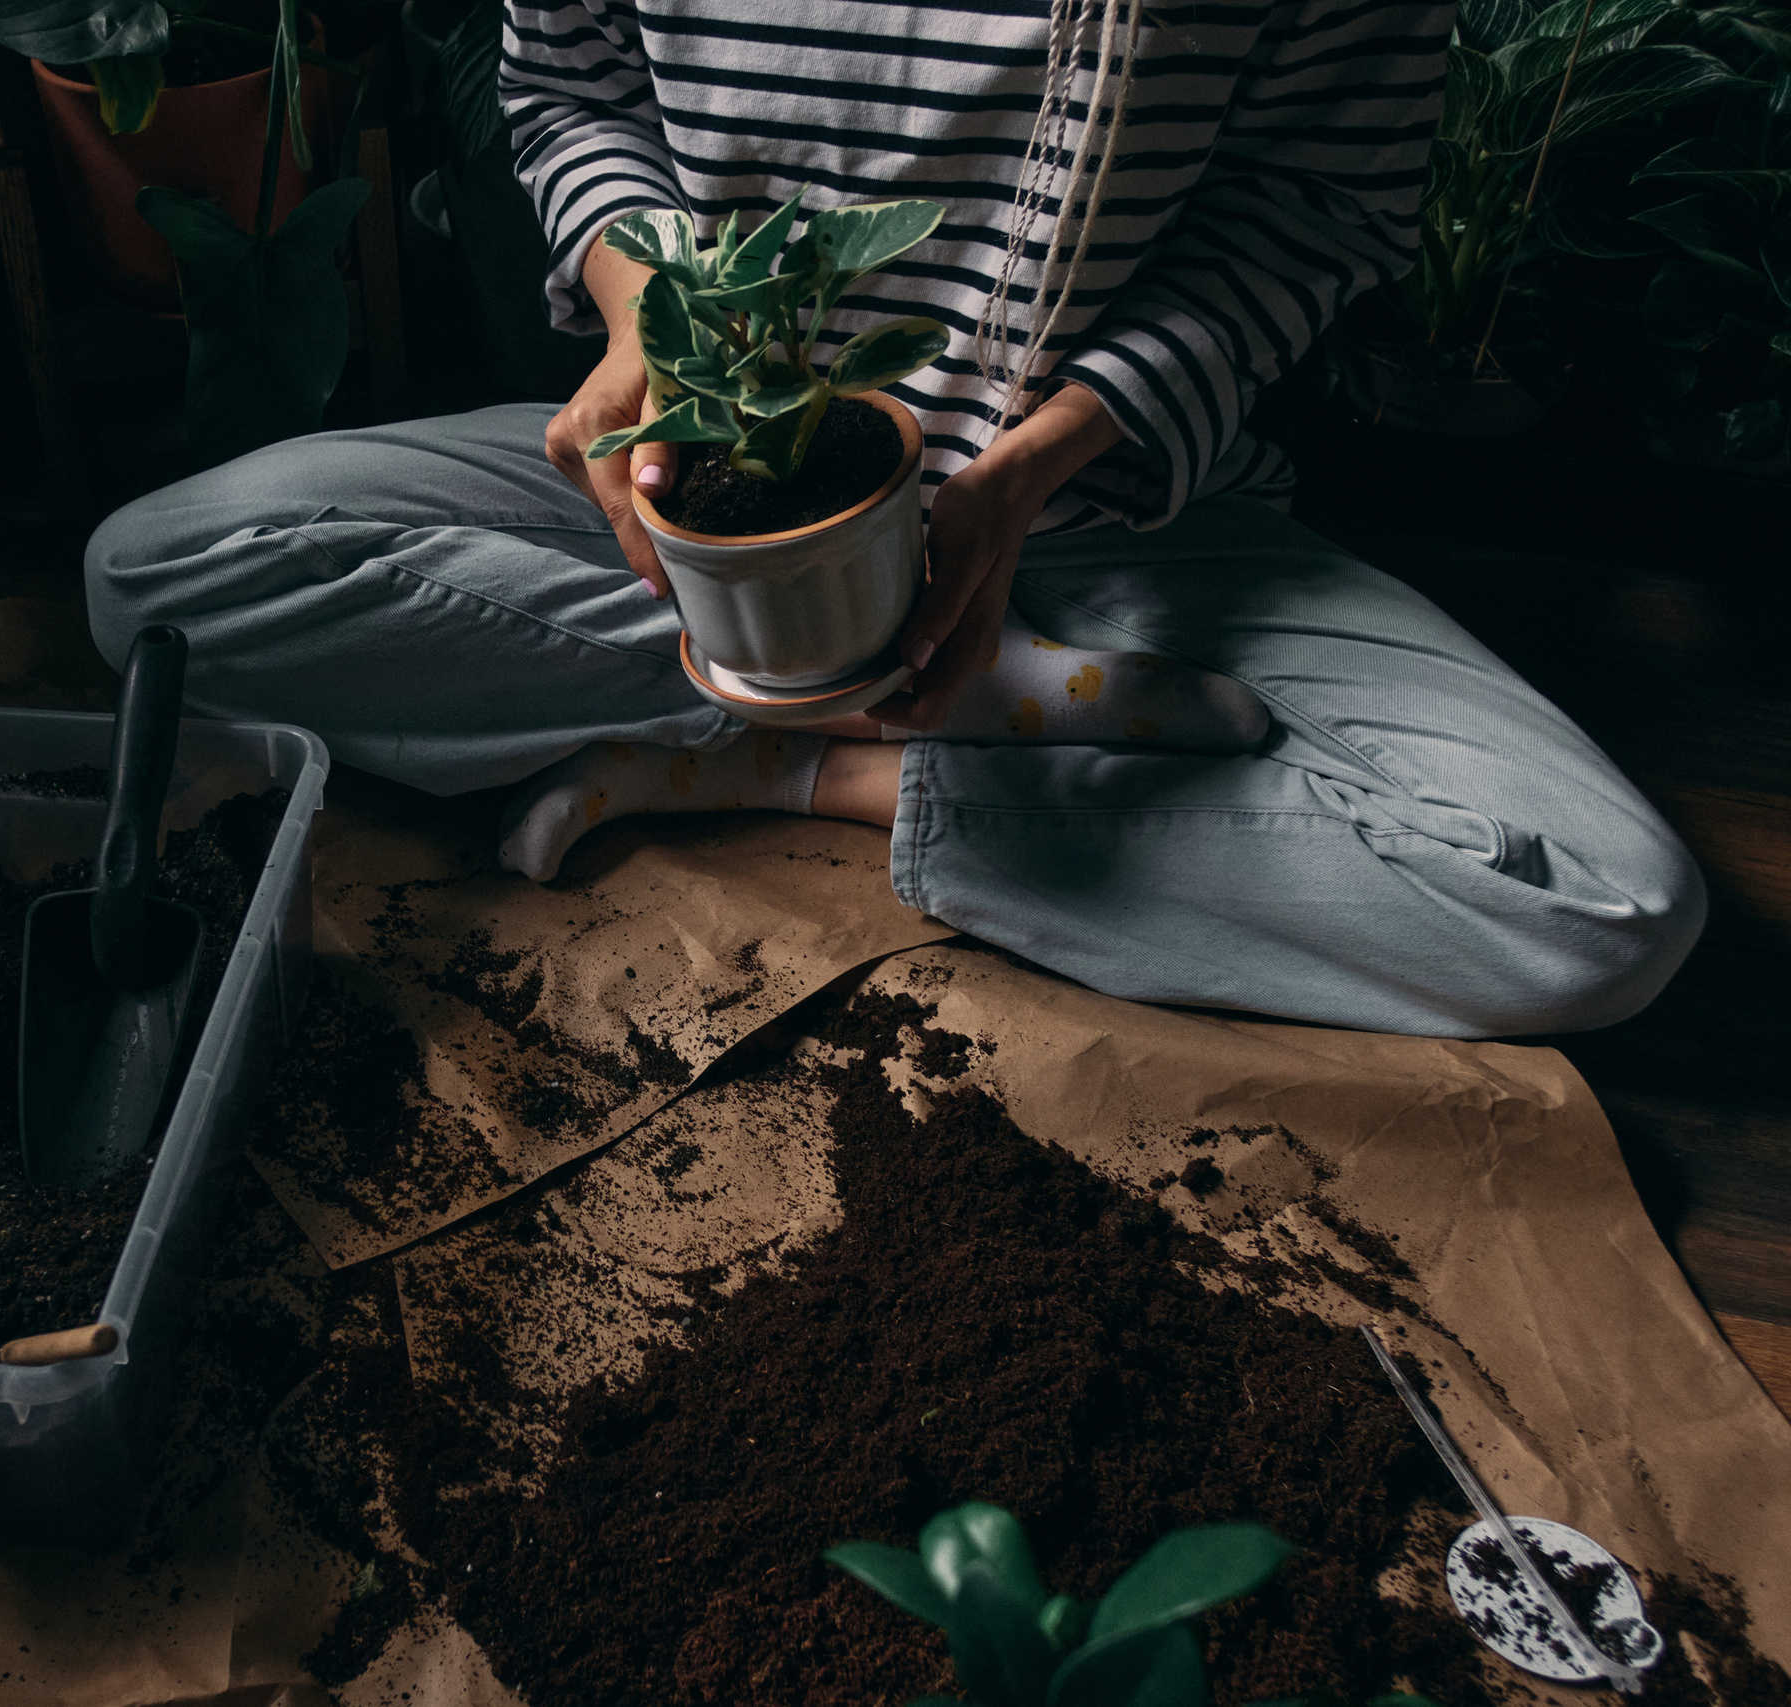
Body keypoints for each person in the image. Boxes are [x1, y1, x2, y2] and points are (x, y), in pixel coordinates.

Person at [85, 0, 1705, 1038]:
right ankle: (840, 708)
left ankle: (804, 764)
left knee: (1595, 907)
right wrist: (648, 319)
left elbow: (1313, 211)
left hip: (1116, 519)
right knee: (157, 579)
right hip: (711, 498)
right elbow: (571, 92)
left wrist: (1025, 476)